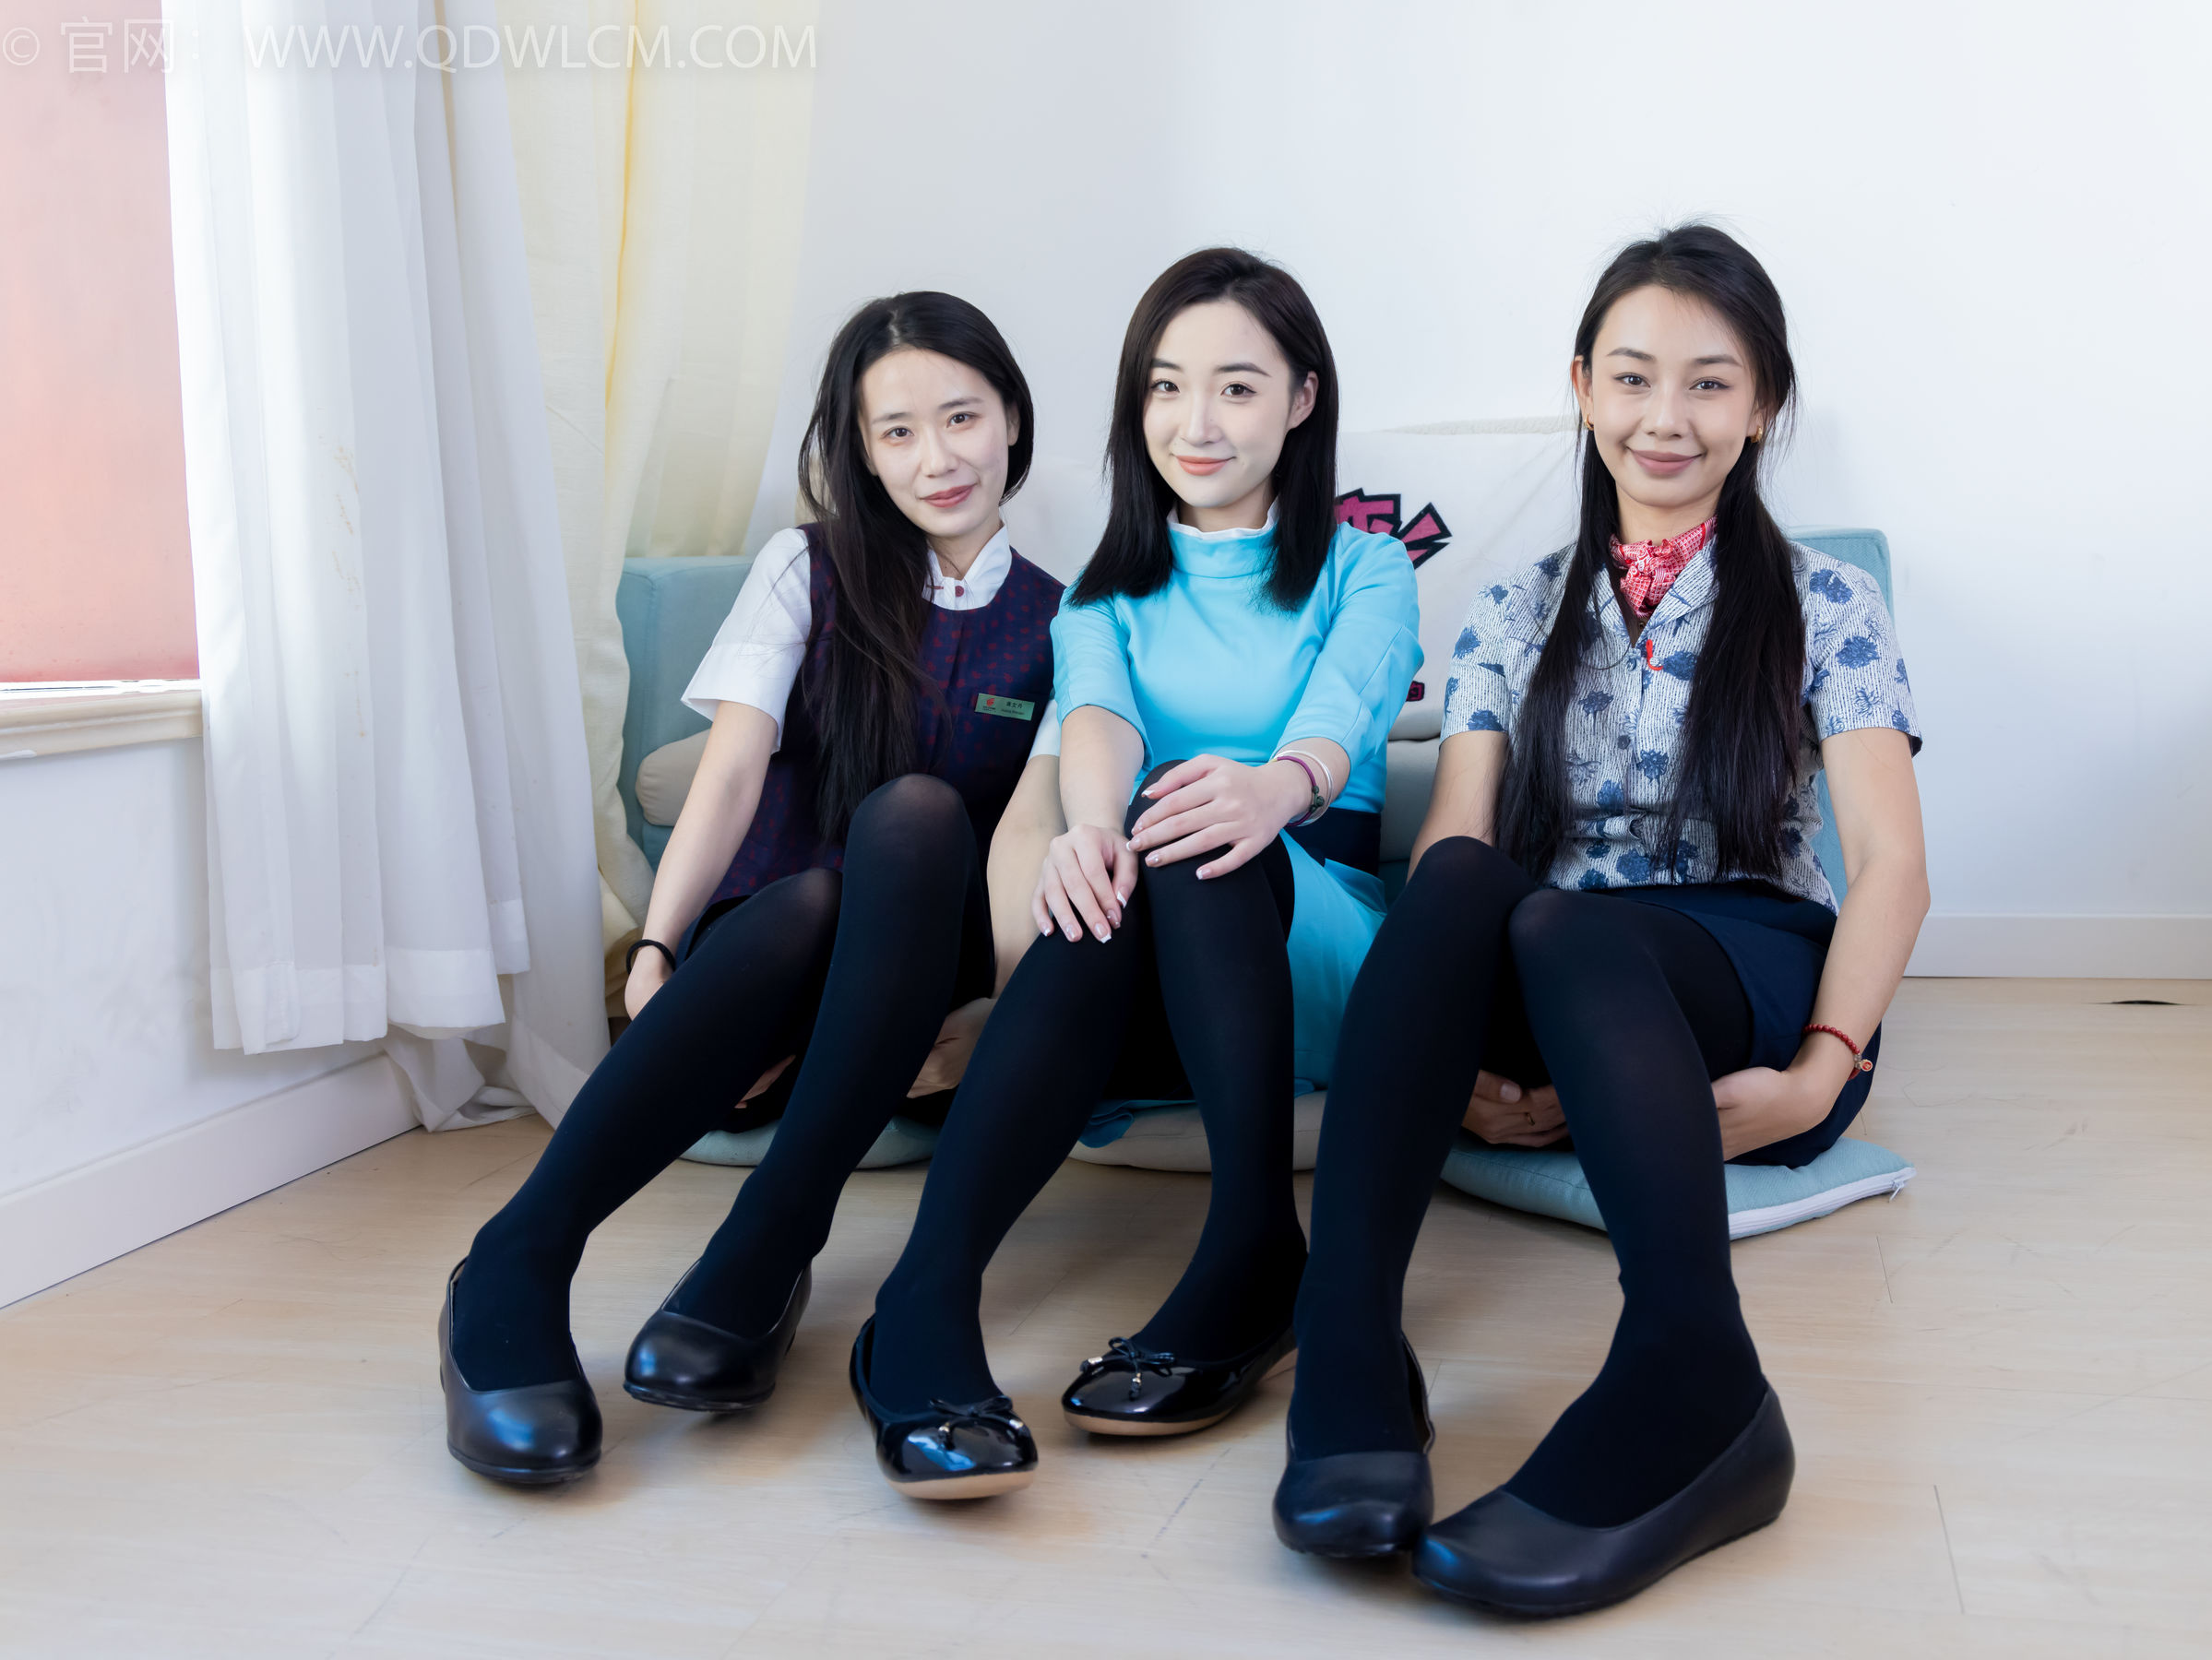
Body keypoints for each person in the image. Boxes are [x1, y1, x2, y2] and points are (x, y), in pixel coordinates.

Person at [1273, 225, 1929, 1618]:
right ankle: (1349, 1338)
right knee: (1470, 887)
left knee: (1566, 929)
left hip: (1742, 961)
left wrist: (1823, 1070)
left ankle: (1697, 1379)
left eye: (1708, 383)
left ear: (1762, 406)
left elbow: (1889, 866)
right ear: (1582, 389)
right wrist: (1463, 1062)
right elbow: (1456, 849)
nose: (1664, 417)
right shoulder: (1512, 608)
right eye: (1632, 378)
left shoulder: (1829, 602)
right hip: (1559, 960)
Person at [435, 291, 1063, 1485]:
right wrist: (658, 951)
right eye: (895, 431)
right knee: (818, 899)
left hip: (918, 1010)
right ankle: (516, 1260)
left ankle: (771, 1234)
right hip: (773, 974)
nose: (935, 458)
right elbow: (727, 775)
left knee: (919, 818)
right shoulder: (806, 567)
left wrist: (991, 1016)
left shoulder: (1066, 621)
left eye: (960, 417)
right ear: (859, 449)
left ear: (1011, 420)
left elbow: (1036, 841)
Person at [845, 247, 1421, 1499]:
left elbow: (1347, 709)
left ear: (1301, 400)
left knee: (1187, 816)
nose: (1194, 423)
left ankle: (1251, 1242)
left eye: (1235, 387)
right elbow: (1097, 719)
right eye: (1166, 387)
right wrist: (1088, 829)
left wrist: (1275, 786)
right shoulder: (1101, 597)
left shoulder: (1365, 567)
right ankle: (927, 1300)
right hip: (1161, 955)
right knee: (1118, 848)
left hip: (1314, 938)